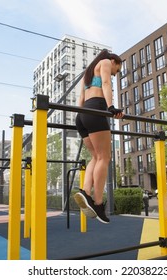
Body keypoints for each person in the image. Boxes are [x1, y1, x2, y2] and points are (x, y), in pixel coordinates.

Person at [74, 49, 124, 224]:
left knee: (95, 156)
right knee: (105, 157)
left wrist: (78, 115)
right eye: (117, 70)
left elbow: (80, 97)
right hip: (96, 109)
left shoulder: (87, 74)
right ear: (114, 61)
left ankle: (85, 192)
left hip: (82, 114)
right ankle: (98, 203)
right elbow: (105, 83)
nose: (115, 73)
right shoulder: (105, 63)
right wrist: (111, 107)